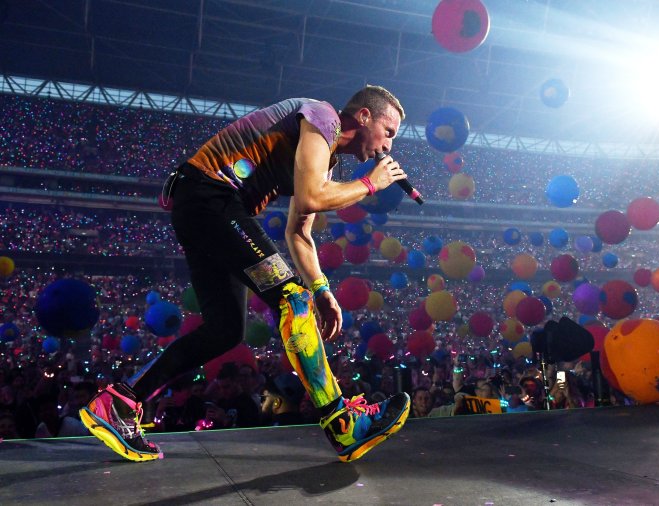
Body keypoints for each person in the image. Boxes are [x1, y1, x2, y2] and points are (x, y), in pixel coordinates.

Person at [80, 85, 411, 462]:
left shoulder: (327, 158)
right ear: (364, 116)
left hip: (205, 206)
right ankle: (341, 423)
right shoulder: (323, 117)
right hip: (212, 198)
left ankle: (119, 402)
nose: (388, 148)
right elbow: (311, 198)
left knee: (225, 329)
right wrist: (371, 184)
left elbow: (299, 230)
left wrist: (322, 289)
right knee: (291, 299)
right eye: (389, 133)